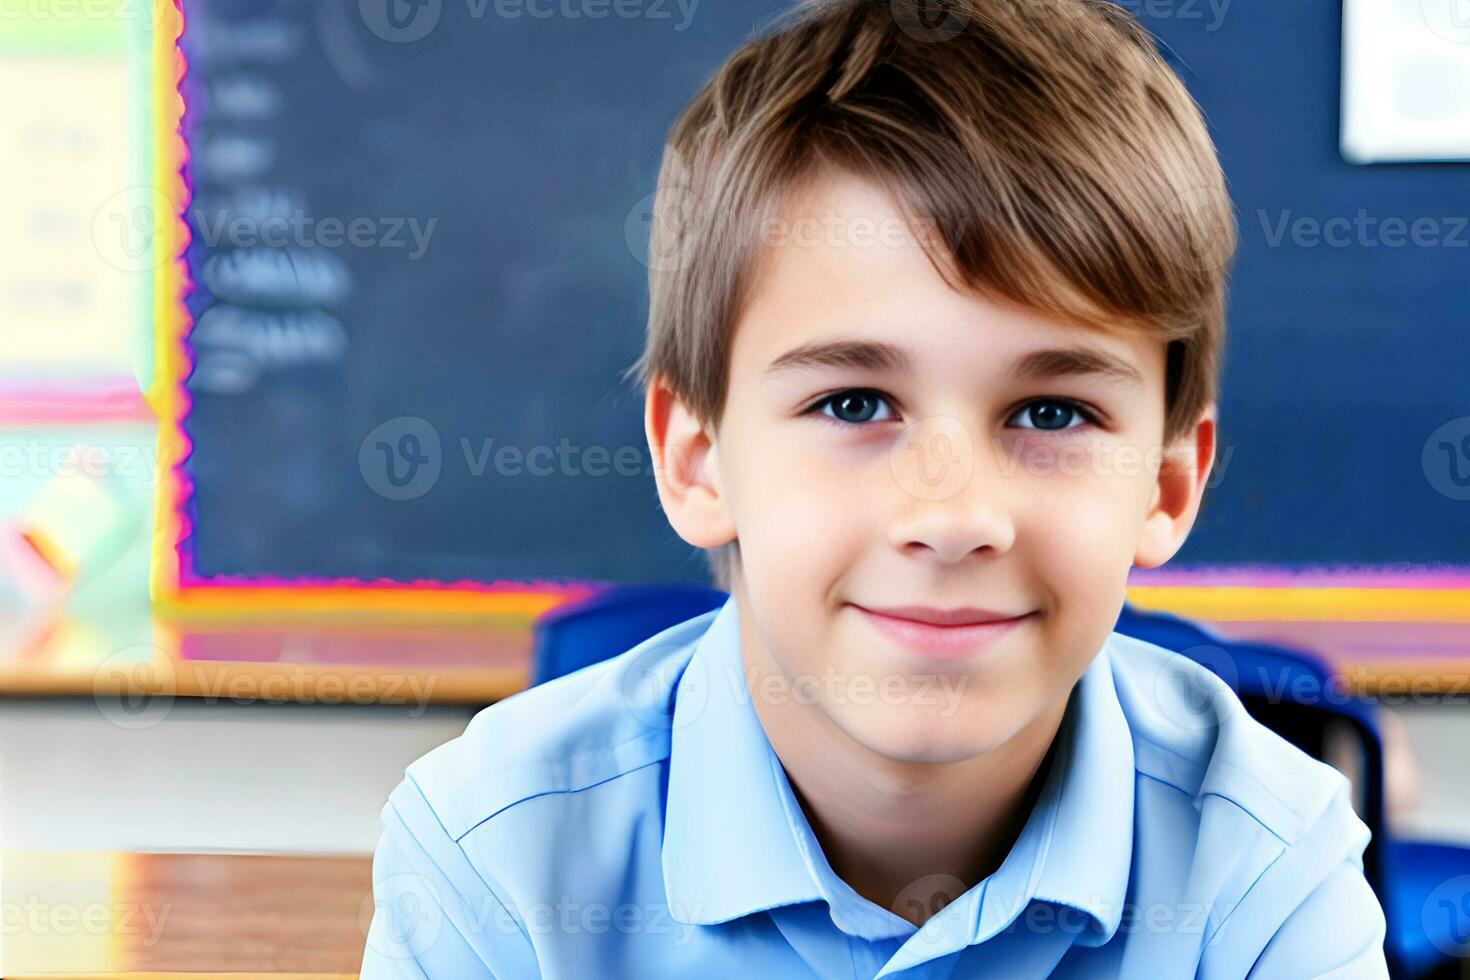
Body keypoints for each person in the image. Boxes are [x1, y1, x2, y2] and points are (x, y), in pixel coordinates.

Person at [361, 0, 1388, 975]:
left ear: (1165, 484)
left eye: (1052, 413)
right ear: (695, 457)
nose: (949, 517)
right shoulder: (495, 853)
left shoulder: (1265, 865)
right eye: (855, 404)